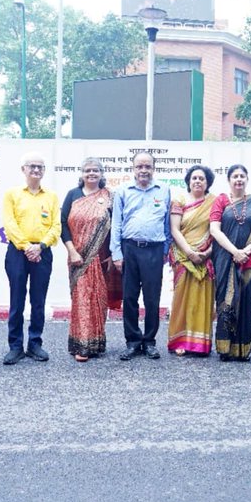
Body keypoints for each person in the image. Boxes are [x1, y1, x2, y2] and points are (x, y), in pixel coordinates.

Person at [2, 152, 61, 365]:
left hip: (43, 253)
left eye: (40, 167)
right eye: (32, 166)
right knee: (16, 300)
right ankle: (15, 347)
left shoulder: (51, 196)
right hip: (18, 252)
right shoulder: (12, 194)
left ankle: (35, 343)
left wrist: (41, 246)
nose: (36, 170)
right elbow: (9, 224)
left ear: (44, 171)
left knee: (38, 301)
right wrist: (28, 247)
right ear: (23, 170)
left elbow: (56, 226)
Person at [110, 152, 171, 359]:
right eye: (139, 166)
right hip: (130, 249)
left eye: (147, 166)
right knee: (129, 298)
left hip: (154, 249)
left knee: (152, 299)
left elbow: (167, 223)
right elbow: (116, 223)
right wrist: (117, 253)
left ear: (154, 168)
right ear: (133, 169)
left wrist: (165, 250)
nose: (143, 170)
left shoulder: (164, 190)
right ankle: (133, 341)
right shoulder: (122, 191)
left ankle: (150, 341)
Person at [209, 164, 251, 360]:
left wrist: (246, 251)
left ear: (247, 179)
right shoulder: (221, 200)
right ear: (229, 180)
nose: (238, 179)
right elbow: (214, 230)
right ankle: (225, 349)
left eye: (242, 176)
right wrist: (235, 251)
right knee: (225, 302)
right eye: (235, 176)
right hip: (224, 259)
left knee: (247, 302)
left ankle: (243, 350)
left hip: (248, 261)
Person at [61, 157, 117, 361]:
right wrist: (72, 251)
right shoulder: (72, 195)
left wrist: (112, 253)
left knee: (98, 299)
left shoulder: (109, 196)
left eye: (95, 170)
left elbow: (115, 226)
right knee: (82, 299)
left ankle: (96, 342)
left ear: (102, 173)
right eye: (87, 170)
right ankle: (81, 345)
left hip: (101, 258)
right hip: (78, 257)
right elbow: (62, 224)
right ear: (82, 174)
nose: (91, 174)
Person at [168, 165, 216, 356]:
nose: (197, 181)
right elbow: (174, 229)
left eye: (202, 179)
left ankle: (200, 343)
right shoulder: (179, 200)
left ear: (207, 183)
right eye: (194, 178)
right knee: (182, 299)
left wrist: (208, 253)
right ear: (188, 181)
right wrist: (189, 252)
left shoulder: (214, 202)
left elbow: (217, 230)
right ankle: (179, 340)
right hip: (183, 256)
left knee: (202, 300)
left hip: (206, 257)